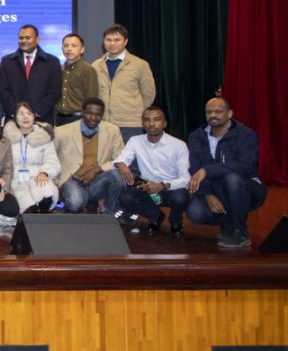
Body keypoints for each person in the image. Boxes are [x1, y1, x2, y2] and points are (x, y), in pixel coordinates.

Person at [187, 98, 266, 248]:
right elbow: (195, 169)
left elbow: (245, 166)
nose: (212, 115)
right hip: (214, 188)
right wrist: (208, 195)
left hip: (246, 186)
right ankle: (229, 221)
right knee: (195, 212)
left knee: (232, 179)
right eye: (209, 112)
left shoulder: (246, 134)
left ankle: (239, 232)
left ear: (229, 114)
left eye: (218, 111)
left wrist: (207, 170)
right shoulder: (196, 136)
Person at [111, 107, 189, 237]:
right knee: (126, 197)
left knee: (181, 198)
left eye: (156, 120)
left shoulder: (178, 145)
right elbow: (121, 159)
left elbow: (186, 179)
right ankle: (155, 216)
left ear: (164, 123)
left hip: (170, 189)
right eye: (147, 120)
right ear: (142, 124)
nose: (151, 124)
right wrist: (121, 164)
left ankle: (176, 221)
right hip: (147, 189)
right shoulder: (135, 141)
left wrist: (162, 185)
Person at [54, 98, 124, 213]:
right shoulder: (62, 132)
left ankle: (108, 213)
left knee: (116, 175)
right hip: (72, 180)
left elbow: (119, 159)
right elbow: (52, 159)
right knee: (75, 203)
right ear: (82, 113)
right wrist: (55, 186)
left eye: (98, 115)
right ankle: (83, 202)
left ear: (102, 115)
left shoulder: (112, 130)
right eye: (89, 113)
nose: (93, 118)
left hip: (98, 180)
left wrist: (96, 170)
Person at [92, 24, 156, 141]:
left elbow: (149, 94)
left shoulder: (140, 64)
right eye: (108, 40)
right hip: (103, 123)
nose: (112, 43)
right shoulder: (96, 65)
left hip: (130, 124)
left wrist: (135, 113)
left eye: (117, 40)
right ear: (104, 42)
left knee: (130, 154)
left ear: (125, 42)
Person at [3, 102, 61, 214]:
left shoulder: (44, 137)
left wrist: (45, 173)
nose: (25, 117)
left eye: (29, 113)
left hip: (37, 176)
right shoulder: (6, 139)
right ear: (15, 117)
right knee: (27, 207)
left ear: (34, 116)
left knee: (47, 195)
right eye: (21, 114)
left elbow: (53, 161)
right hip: (15, 180)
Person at [0, 25, 62, 122]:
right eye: (21, 38)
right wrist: (17, 112)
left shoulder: (52, 62)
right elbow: (2, 90)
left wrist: (36, 112)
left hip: (42, 119)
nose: (23, 41)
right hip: (14, 119)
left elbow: (55, 91)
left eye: (27, 38)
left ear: (37, 39)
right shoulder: (7, 61)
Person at [56, 33, 99, 126]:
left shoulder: (88, 70)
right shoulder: (58, 69)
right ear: (62, 49)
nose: (69, 49)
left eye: (74, 46)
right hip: (59, 118)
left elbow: (91, 97)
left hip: (79, 118)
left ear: (82, 49)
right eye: (66, 46)